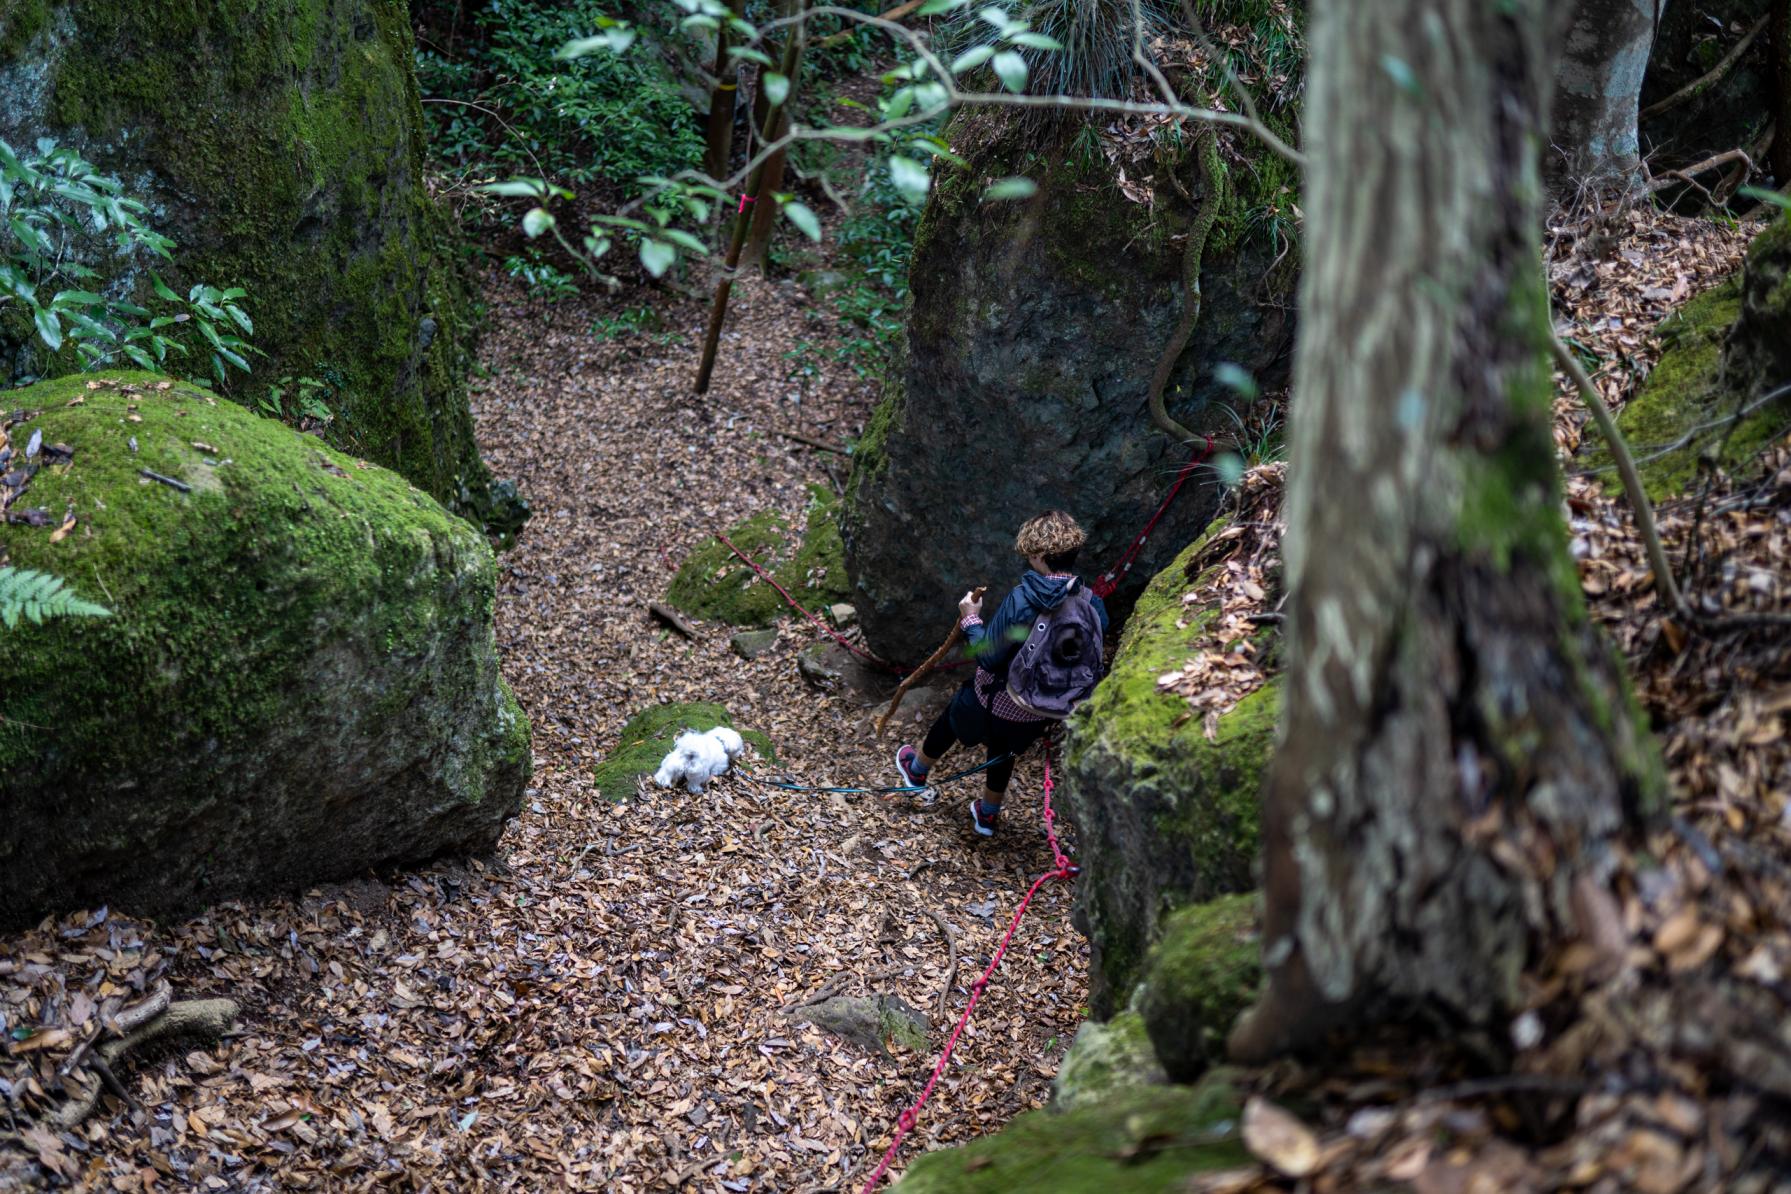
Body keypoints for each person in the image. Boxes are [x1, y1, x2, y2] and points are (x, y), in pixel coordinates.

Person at [895, 511, 1109, 836]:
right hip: (1042, 709)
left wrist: (970, 619)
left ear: (1039, 555)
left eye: (1029, 554)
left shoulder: (1023, 599)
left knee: (952, 717)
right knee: (1003, 754)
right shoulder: (1091, 603)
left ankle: (916, 770)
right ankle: (988, 814)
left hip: (996, 698)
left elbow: (988, 658)